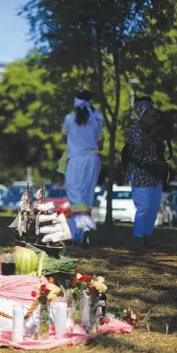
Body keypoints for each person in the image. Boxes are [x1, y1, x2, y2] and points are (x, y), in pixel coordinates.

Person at [62, 90, 104, 248]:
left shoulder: (69, 119)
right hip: (93, 160)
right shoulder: (97, 120)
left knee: (75, 196)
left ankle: (81, 228)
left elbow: (63, 137)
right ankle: (79, 234)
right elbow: (101, 144)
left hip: (76, 160)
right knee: (86, 197)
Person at [124, 97, 166, 246]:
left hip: (155, 173)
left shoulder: (156, 131)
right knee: (144, 207)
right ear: (142, 115)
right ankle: (138, 237)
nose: (154, 118)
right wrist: (154, 132)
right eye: (151, 115)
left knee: (153, 208)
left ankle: (147, 236)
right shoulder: (134, 129)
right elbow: (142, 147)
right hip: (140, 172)